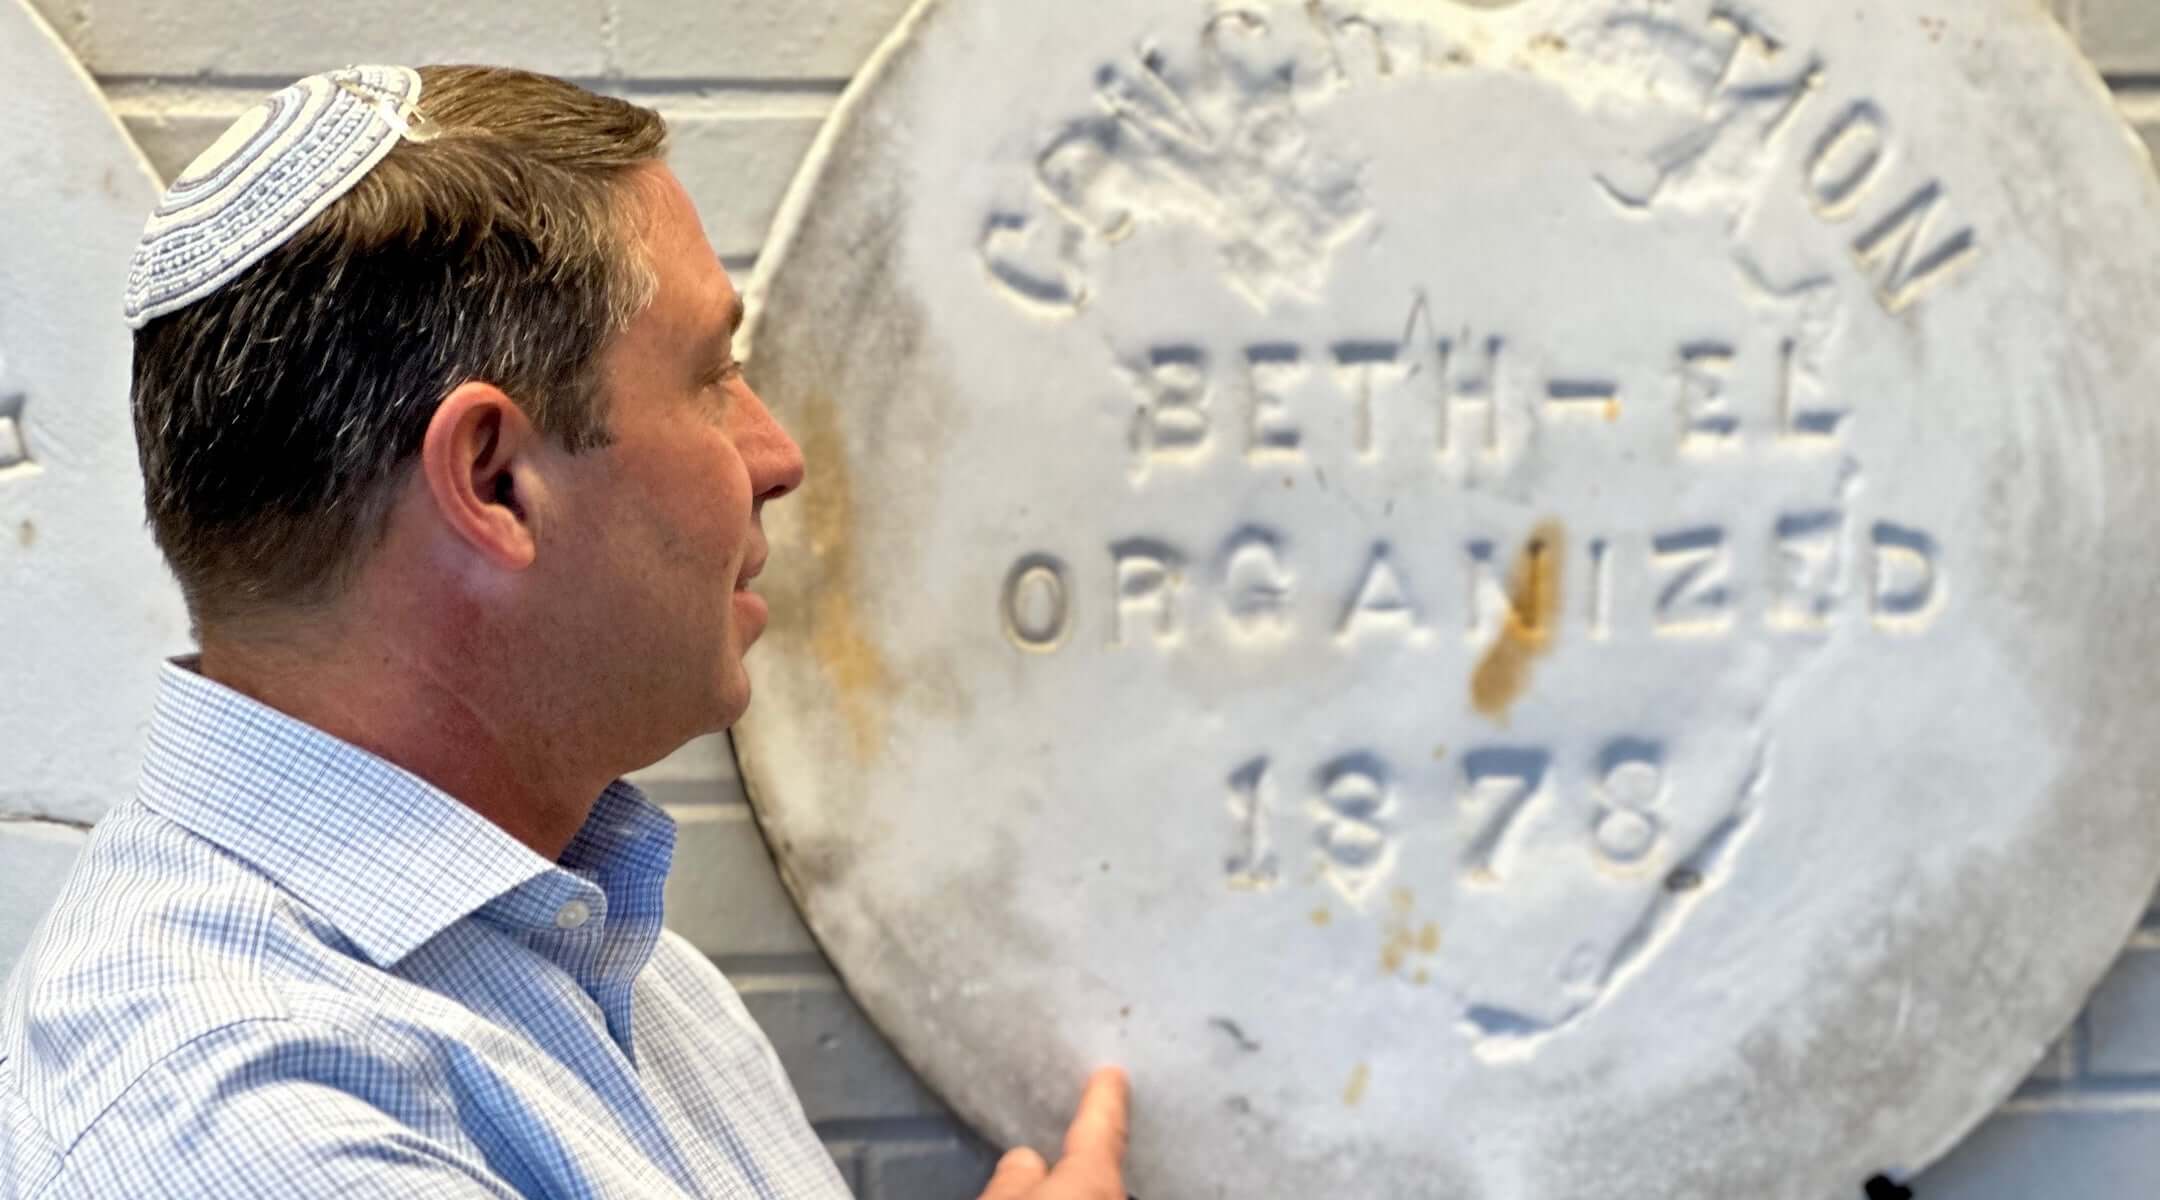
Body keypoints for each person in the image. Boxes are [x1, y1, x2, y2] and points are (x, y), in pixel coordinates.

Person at [0, 64, 1128, 1199]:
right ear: (495, 482)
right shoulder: (238, 1118)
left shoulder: (617, 973)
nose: (775, 457)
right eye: (710, 378)